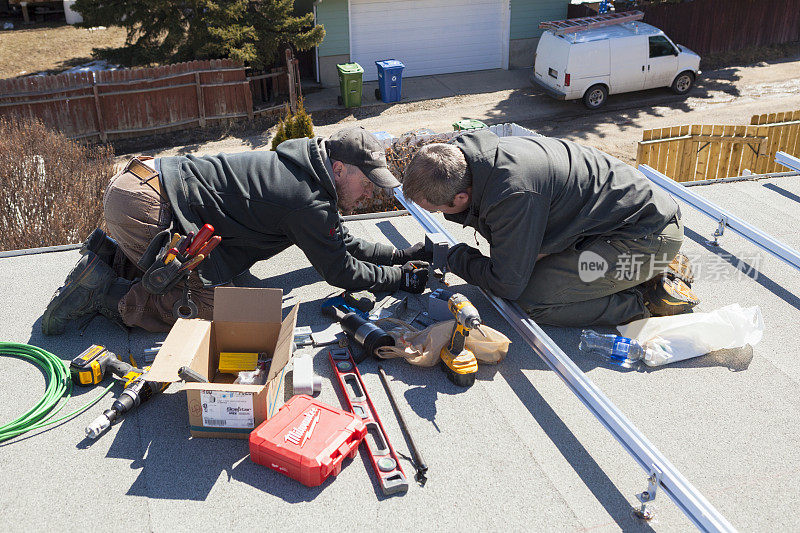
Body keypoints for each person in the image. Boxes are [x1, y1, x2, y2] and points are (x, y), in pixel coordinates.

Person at [42, 126, 431, 334]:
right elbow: (340, 271)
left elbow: (339, 241)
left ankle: (105, 261)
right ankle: (105, 297)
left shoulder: (303, 167)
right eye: (366, 181)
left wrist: (399, 256)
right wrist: (400, 281)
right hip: (146, 205)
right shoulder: (306, 201)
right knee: (221, 313)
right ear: (341, 169)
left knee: (204, 278)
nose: (368, 193)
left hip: (138, 182)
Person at [401, 130, 699, 327]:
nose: (439, 216)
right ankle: (646, 268)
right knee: (531, 271)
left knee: (532, 299)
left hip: (643, 235)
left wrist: (457, 258)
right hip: (616, 223)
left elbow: (508, 283)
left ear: (461, 197)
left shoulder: (513, 194)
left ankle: (644, 295)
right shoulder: (477, 161)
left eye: (439, 210)